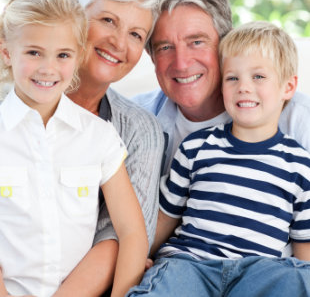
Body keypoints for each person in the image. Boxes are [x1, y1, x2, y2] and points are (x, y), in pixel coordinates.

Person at [0, 0, 164, 297]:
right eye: (108, 20)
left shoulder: (107, 136)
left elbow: (127, 234)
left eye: (136, 34)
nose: (48, 67)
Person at [127, 21, 310, 297]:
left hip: (257, 272)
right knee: (165, 282)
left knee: (297, 277)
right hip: (192, 265)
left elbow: (303, 248)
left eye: (258, 77)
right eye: (232, 78)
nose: (244, 87)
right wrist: (141, 256)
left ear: (288, 87)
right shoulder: (197, 147)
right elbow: (164, 218)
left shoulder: (300, 165)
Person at [133, 0, 310, 179]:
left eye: (196, 42)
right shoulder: (134, 122)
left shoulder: (299, 119)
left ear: (226, 43)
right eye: (165, 47)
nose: (181, 64)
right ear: (151, 56)